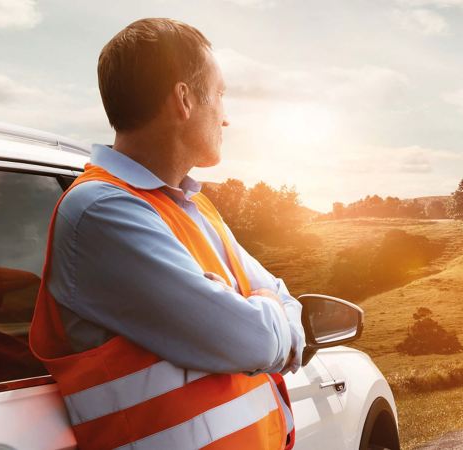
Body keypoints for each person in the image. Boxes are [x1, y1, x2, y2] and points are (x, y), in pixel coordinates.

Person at [29, 18, 305, 450]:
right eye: (219, 96)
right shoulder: (101, 211)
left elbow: (283, 300)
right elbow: (253, 340)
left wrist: (256, 305)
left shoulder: (193, 207)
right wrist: (257, 306)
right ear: (183, 99)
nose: (226, 118)